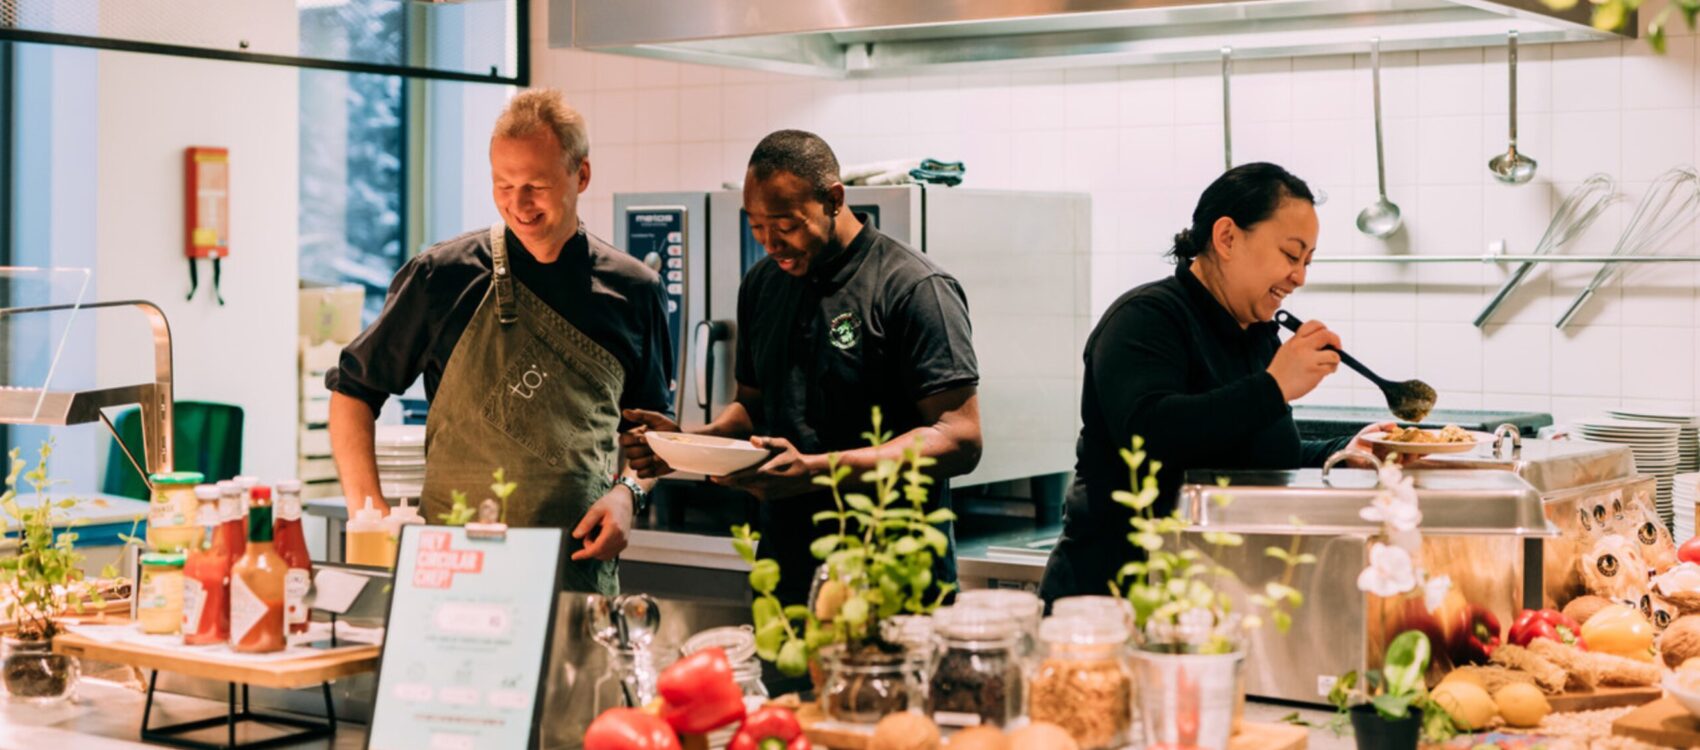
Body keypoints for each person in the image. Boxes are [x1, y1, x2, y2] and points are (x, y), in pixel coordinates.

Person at [326, 89, 675, 595]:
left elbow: (650, 444)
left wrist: (627, 495)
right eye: (503, 185)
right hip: (450, 574)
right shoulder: (441, 277)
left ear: (581, 176)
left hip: (571, 573)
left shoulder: (634, 290)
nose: (518, 204)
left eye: (535, 185)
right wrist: (370, 513)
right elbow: (352, 392)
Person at [620, 129, 983, 604]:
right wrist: (685, 444)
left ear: (834, 199)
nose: (770, 243)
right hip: (784, 573)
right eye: (755, 227)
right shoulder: (762, 286)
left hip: (895, 572)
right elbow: (750, 410)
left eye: (785, 225)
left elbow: (960, 437)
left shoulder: (913, 288)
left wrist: (818, 470)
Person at [1040, 163, 1389, 603]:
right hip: (1115, 599)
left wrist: (1343, 453)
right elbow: (1151, 433)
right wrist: (1274, 386)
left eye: (1306, 261)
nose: (1300, 276)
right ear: (1226, 237)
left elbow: (1246, 452)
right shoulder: (1145, 319)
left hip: (1213, 591)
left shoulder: (1255, 334)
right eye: (1290, 254)